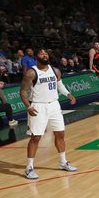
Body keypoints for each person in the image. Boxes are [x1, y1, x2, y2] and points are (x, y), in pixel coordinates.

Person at [20, 49, 78, 179]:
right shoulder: (31, 73)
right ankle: (29, 168)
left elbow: (60, 85)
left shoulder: (55, 70)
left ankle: (63, 162)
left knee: (60, 134)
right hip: (38, 106)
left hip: (54, 105)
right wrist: (28, 106)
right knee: (36, 138)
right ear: (36, 57)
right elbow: (23, 92)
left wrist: (68, 94)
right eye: (41, 53)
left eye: (45, 53)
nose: (44, 55)